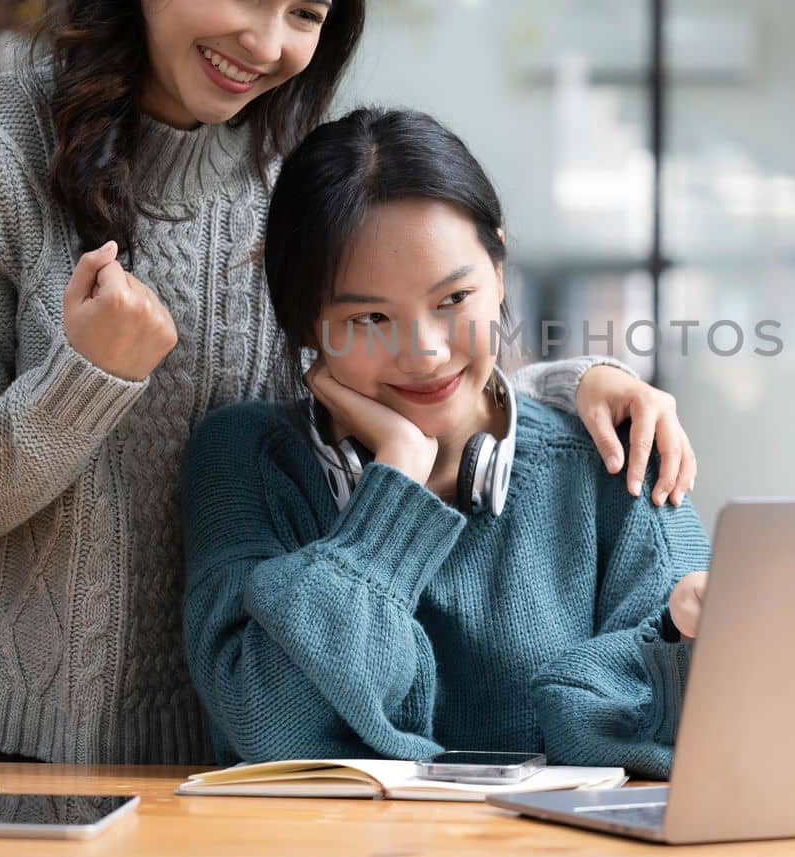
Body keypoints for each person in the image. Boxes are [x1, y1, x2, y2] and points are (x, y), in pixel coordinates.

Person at [0, 0, 696, 766]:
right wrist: (82, 380)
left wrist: (567, 382)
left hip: (245, 734)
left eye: (307, 13)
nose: (267, 42)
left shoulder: (290, 182)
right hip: (7, 736)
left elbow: (381, 353)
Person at [181, 108, 712, 776]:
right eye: (369, 316)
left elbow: (658, 732)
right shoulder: (250, 461)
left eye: (453, 297)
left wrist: (676, 644)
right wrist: (394, 489)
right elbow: (269, 725)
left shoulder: (616, 452)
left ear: (499, 268)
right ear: (305, 321)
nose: (425, 353)